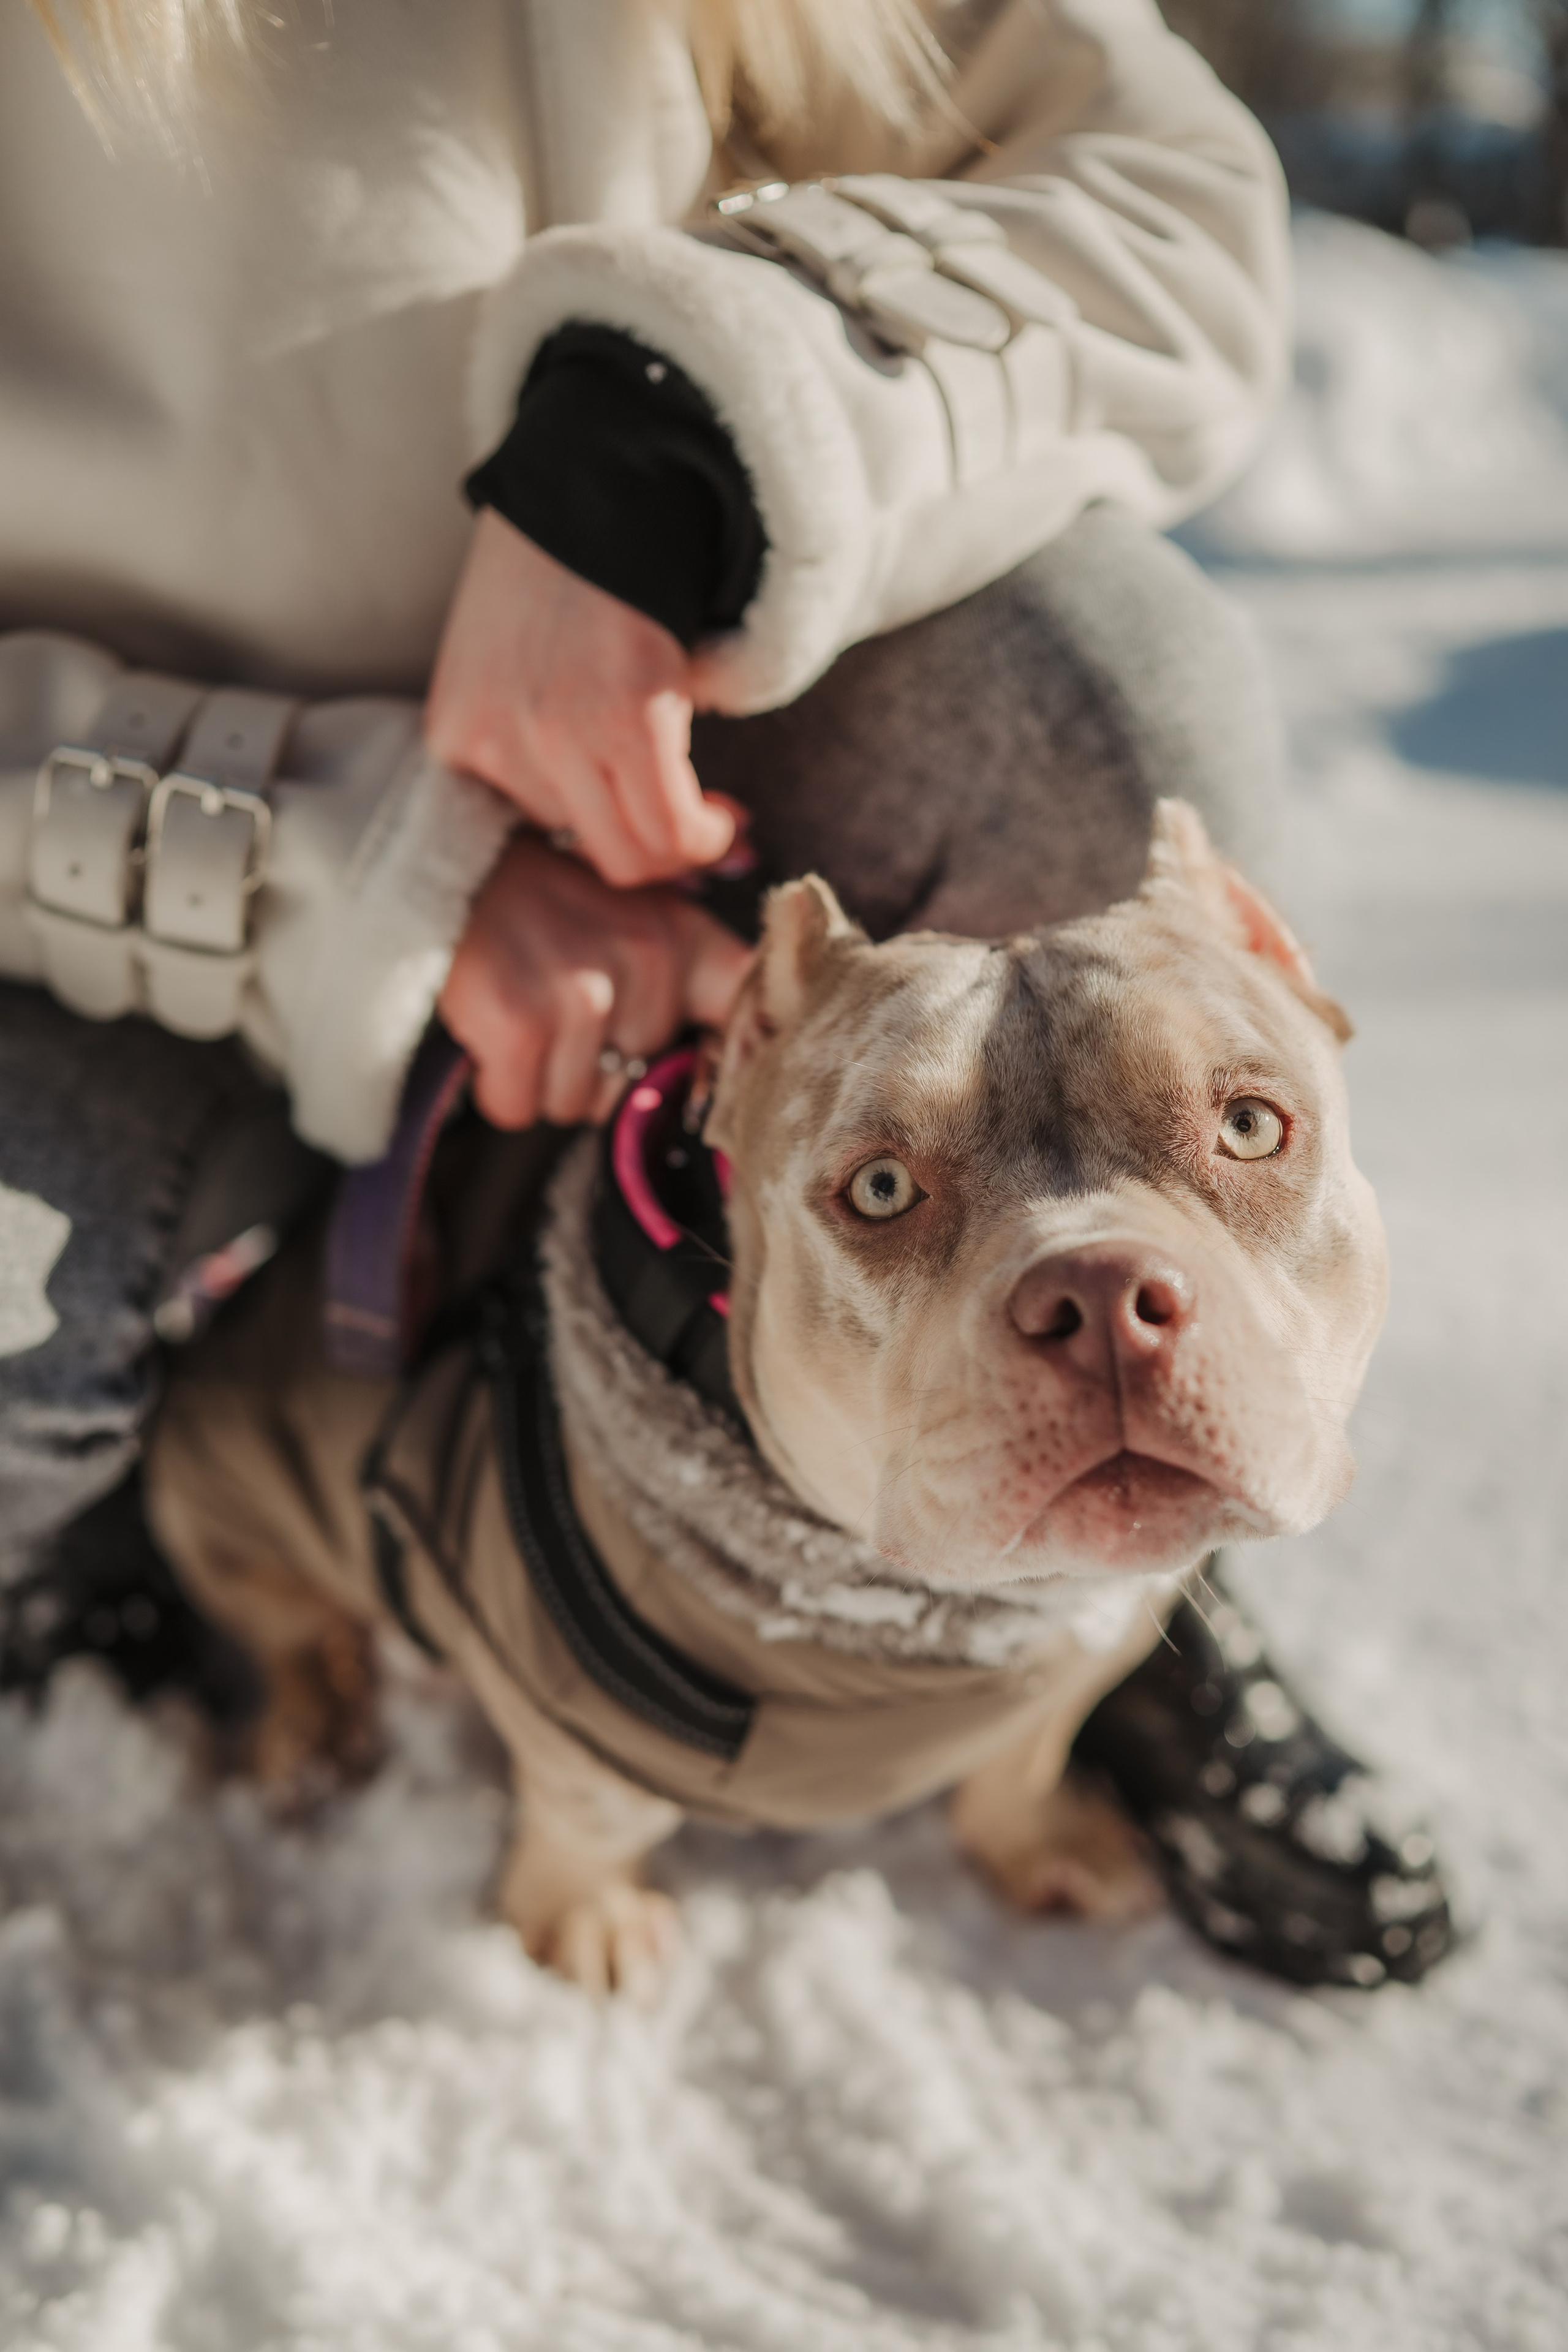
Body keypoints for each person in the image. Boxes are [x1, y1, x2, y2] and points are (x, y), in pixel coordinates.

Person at [0, 0, 1452, 1983]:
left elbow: (1177, 198)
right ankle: (97, 1539)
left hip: (681, 722)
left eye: (1250, 1127)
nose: (1119, 1274)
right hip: (79, 860)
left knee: (1109, 698)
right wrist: (354, 856)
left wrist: (670, 444)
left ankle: (1109, 1538)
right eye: (880, 1186)